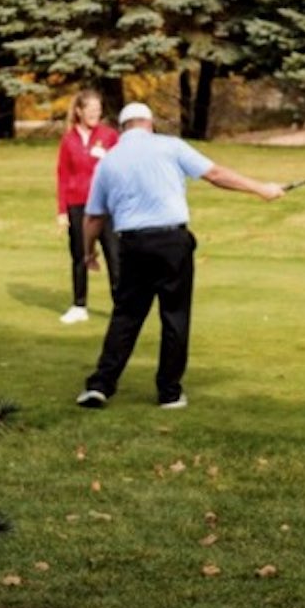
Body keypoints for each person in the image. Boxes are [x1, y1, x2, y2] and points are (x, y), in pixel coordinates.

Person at [76, 102, 284, 409]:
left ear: (122, 128)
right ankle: (169, 392)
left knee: (126, 316)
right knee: (174, 315)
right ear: (150, 123)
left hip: (132, 245)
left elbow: (93, 218)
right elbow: (214, 174)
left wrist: (88, 252)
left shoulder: (109, 161)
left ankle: (101, 385)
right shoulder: (171, 146)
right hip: (172, 240)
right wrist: (261, 189)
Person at [55, 89, 120, 324]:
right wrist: (62, 211)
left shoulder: (110, 136)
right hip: (77, 205)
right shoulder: (68, 139)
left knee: (114, 254)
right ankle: (79, 305)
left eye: (98, 109)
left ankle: (120, 306)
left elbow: (122, 167)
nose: (95, 113)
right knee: (80, 255)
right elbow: (63, 175)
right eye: (90, 110)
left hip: (106, 206)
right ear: (80, 111)